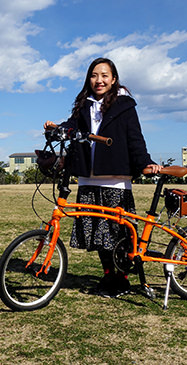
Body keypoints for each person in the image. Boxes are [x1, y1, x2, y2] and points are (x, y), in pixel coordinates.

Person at [44, 57, 161, 298]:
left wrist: (145, 162)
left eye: (105, 75)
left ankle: (122, 280)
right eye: (94, 75)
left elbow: (135, 138)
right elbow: (72, 125)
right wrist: (57, 127)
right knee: (97, 233)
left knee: (116, 234)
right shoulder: (84, 104)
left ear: (114, 79)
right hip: (88, 176)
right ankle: (109, 276)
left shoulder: (125, 106)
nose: (99, 80)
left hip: (115, 178)